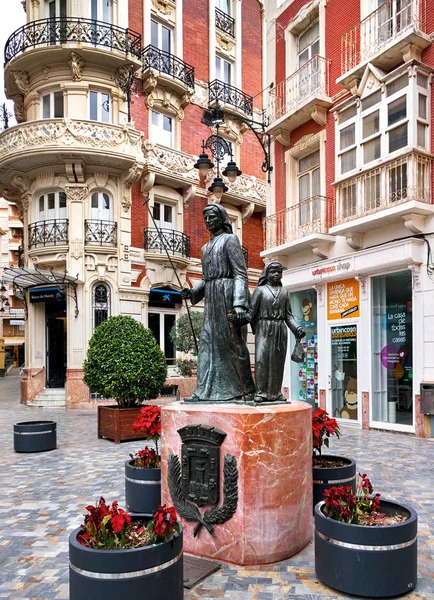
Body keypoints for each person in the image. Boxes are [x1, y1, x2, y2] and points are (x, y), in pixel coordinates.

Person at [181, 204, 255, 402]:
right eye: (205, 218)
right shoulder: (205, 248)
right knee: (207, 342)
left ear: (221, 219)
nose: (208, 221)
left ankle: (244, 389)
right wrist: (193, 291)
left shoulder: (230, 240)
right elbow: (206, 278)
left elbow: (240, 273)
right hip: (212, 299)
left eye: (212, 217)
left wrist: (239, 303)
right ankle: (204, 390)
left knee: (233, 343)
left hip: (228, 295)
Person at [250, 261, 305, 402]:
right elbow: (251, 313)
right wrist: (238, 319)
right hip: (263, 327)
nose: (276, 275)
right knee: (262, 360)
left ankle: (275, 392)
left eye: (279, 272)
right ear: (266, 274)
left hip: (280, 329)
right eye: (273, 272)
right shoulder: (260, 291)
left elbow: (288, 315)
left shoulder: (285, 292)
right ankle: (261, 392)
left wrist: (296, 328)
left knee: (278, 361)